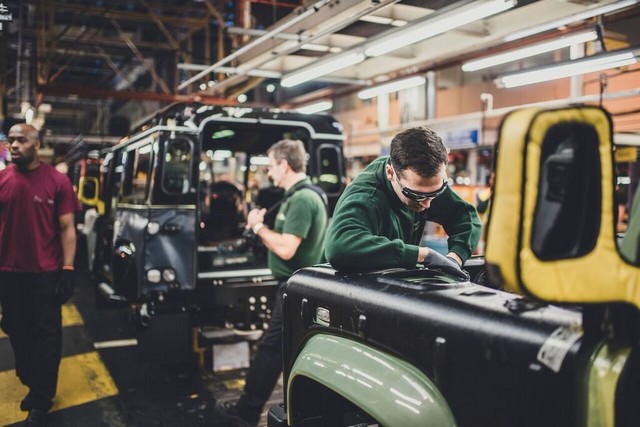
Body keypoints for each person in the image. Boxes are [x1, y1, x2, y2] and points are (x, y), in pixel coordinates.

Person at [216, 139, 328, 426]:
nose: (268, 173)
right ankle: (266, 410)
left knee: (271, 350)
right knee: (280, 350)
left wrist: (258, 227)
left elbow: (287, 248)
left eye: (270, 167)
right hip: (295, 285)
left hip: (295, 286)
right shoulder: (297, 196)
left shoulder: (302, 199)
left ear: (284, 164)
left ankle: (249, 411)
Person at [0, 123, 78, 426]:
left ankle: (41, 397)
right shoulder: (3, 180)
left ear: (37, 144)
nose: (15, 145)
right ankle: (30, 376)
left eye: (22, 140)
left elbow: (67, 228)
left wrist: (68, 270)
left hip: (45, 273)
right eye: (12, 140)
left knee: (46, 335)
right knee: (16, 329)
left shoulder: (57, 181)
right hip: (8, 272)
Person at [325, 126, 481, 277]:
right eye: (415, 195)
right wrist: (421, 255)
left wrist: (455, 258)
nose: (427, 204)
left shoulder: (426, 185)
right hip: (343, 288)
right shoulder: (367, 197)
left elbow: (465, 218)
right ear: (390, 173)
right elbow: (339, 248)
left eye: (435, 193)